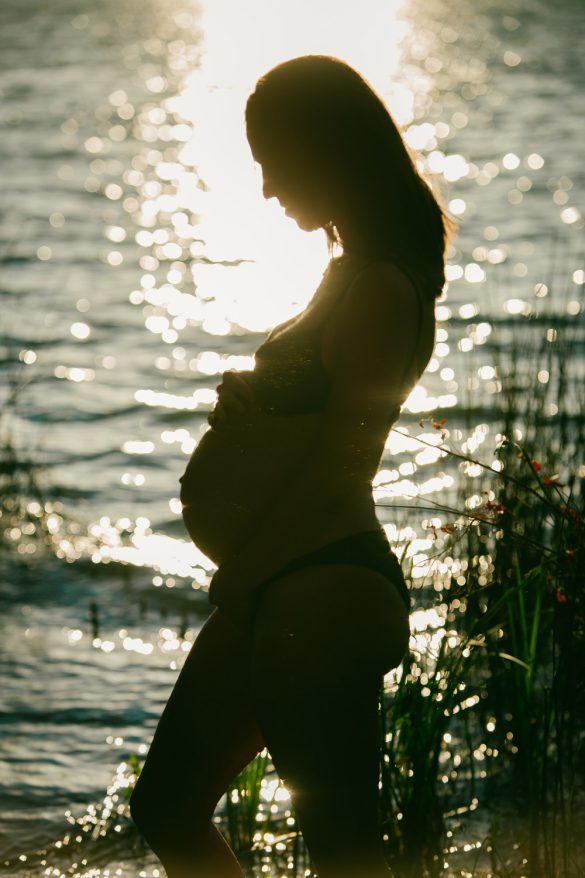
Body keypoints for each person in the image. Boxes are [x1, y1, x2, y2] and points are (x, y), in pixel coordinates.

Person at [129, 54, 456, 878]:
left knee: (344, 852)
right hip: (283, 581)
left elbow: (344, 465)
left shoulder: (382, 286)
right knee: (166, 806)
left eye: (275, 163)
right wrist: (255, 403)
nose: (269, 189)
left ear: (329, 149)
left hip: (323, 587)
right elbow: (312, 418)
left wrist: (245, 570)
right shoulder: (343, 275)